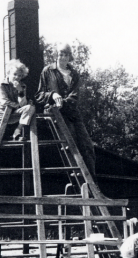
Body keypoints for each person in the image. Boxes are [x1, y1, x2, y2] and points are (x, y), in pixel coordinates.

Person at [36, 45, 96, 177]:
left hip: (72, 112)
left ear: (69, 57)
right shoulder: (48, 71)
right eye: (60, 54)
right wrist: (52, 95)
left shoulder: (73, 73)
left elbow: (75, 96)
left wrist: (63, 101)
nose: (62, 57)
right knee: (71, 144)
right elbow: (39, 95)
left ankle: (93, 183)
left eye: (65, 55)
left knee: (87, 145)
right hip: (55, 113)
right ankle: (79, 178)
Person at [0, 59, 37, 143]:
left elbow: (23, 104)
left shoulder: (22, 86)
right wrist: (19, 106)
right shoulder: (1, 85)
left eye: (19, 75)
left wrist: (20, 91)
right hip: (2, 113)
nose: (17, 77)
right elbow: (5, 102)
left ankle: (17, 131)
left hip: (15, 113)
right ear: (8, 73)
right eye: (15, 74)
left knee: (30, 108)